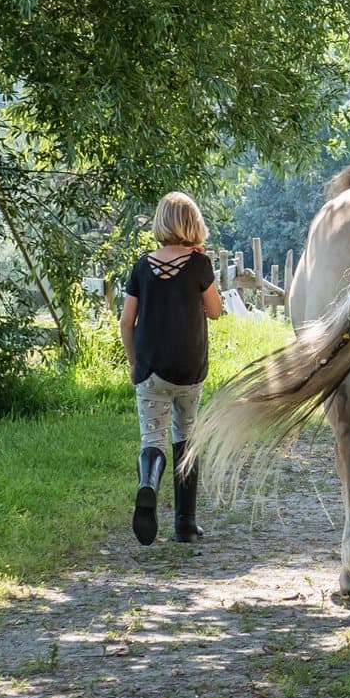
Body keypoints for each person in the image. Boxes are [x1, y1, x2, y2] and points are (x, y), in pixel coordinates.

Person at [120, 192, 223, 544]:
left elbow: (125, 322)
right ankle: (185, 524)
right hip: (189, 369)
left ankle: (148, 483)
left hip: (150, 370)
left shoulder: (140, 267)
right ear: (193, 224)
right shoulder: (199, 266)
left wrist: (134, 363)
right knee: (186, 436)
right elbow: (215, 310)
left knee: (153, 438)